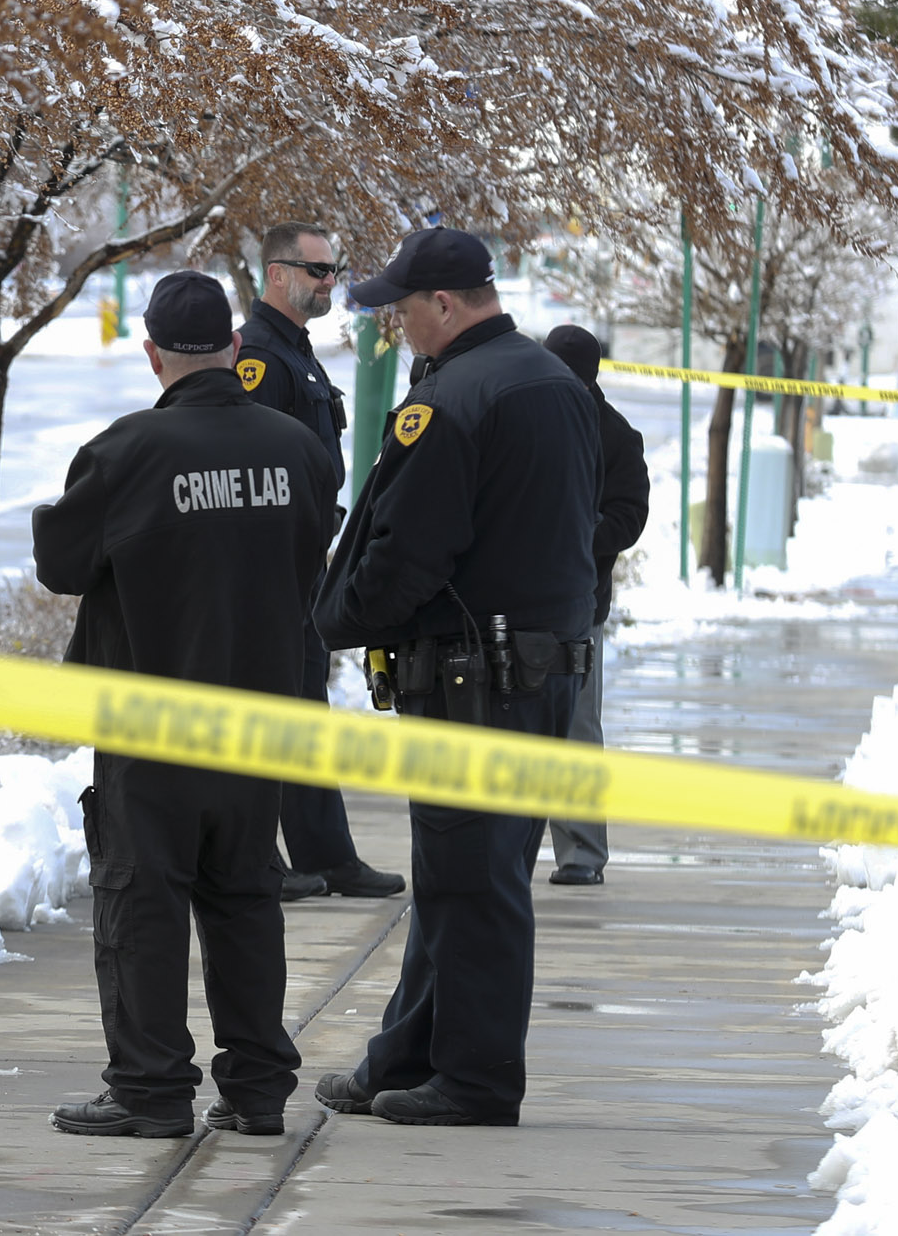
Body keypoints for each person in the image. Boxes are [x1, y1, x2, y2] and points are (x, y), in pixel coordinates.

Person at [309, 227, 600, 1128]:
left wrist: (335, 619)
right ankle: (407, 1053)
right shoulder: (553, 382)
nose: (397, 325)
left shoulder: (453, 400)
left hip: (476, 681)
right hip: (538, 670)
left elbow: (406, 554)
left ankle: (475, 1080)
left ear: (445, 304)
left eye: (402, 309)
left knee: (474, 886)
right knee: (461, 876)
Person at [33, 270, 334, 1139]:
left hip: (151, 727)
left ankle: (151, 1088)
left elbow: (61, 561)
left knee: (143, 902)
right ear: (236, 351)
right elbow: (315, 547)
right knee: (245, 899)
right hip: (259, 721)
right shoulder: (297, 450)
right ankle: (259, 1088)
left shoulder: (124, 453)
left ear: (152, 353)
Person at [236, 221, 406, 903]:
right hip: (269, 569)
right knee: (268, 712)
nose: (329, 280)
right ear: (277, 274)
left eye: (332, 269)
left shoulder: (296, 353)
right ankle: (256, 859)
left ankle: (327, 855)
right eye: (317, 270)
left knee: (305, 710)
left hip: (304, 564)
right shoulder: (258, 358)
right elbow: (249, 468)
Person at [537, 326, 650, 886]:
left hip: (579, 605)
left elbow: (629, 516)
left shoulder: (615, 437)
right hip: (513, 603)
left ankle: (581, 854)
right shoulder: (523, 419)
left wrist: (578, 534)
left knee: (576, 728)